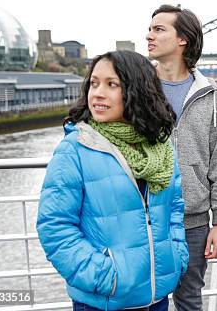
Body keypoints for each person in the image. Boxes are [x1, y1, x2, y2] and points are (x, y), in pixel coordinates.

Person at [37, 51, 188, 311]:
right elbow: (55, 226)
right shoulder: (75, 149)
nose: (97, 93)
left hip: (157, 296)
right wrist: (106, 276)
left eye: (111, 84)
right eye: (93, 83)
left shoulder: (161, 148)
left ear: (138, 90)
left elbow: (174, 207)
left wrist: (176, 255)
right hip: (105, 300)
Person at [146, 4, 217, 311]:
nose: (149, 35)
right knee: (146, 298)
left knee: (189, 299)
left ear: (183, 39)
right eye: (150, 28)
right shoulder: (139, 88)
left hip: (194, 224)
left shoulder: (209, 94)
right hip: (145, 217)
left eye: (159, 29)